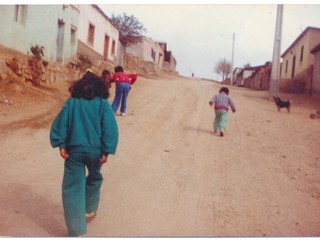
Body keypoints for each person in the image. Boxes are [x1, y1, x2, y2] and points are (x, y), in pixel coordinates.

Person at [49, 71, 119, 237]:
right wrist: (106, 151)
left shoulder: (71, 103)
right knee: (95, 178)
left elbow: (61, 123)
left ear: (78, 87)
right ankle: (88, 210)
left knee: (72, 187)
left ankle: (76, 229)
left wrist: (61, 145)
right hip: (96, 152)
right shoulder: (103, 105)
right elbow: (110, 128)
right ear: (101, 88)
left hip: (74, 152)